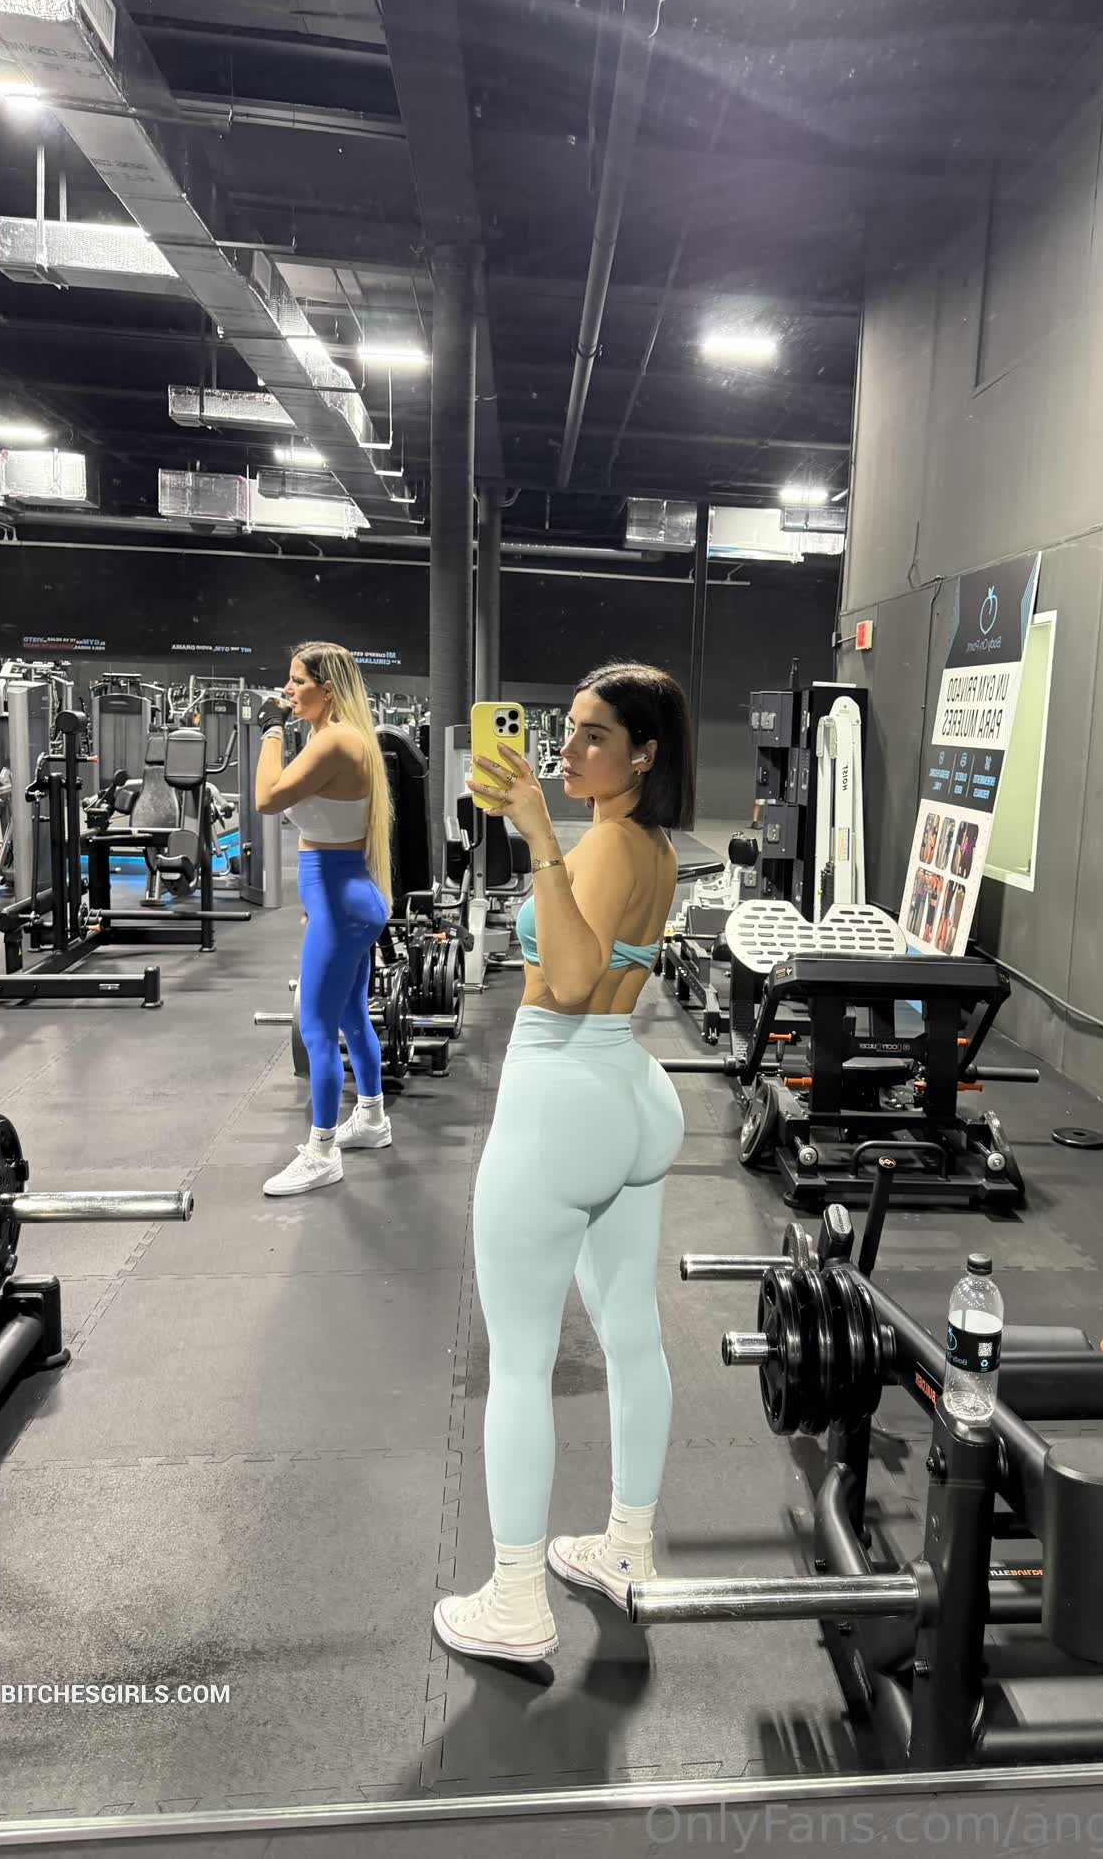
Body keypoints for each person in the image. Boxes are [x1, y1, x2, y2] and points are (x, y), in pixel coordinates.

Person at [433, 662, 693, 1664]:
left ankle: (514, 1600)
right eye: (568, 729)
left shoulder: (607, 843)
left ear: (644, 754)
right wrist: (539, 835)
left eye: (594, 735)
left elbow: (574, 979)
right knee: (630, 1335)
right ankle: (626, 1547)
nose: (568, 750)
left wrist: (539, 830)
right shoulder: (648, 845)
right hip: (627, 1092)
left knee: (519, 1361)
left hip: (561, 1092)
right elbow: (592, 949)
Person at [254, 641, 394, 1198]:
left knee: (315, 1025)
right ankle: (372, 1118)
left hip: (342, 905)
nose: (287, 690)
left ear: (327, 689)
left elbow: (266, 798)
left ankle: (321, 1152)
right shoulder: (334, 736)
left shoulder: (337, 741)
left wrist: (269, 730)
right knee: (352, 1013)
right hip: (344, 899)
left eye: (297, 681)